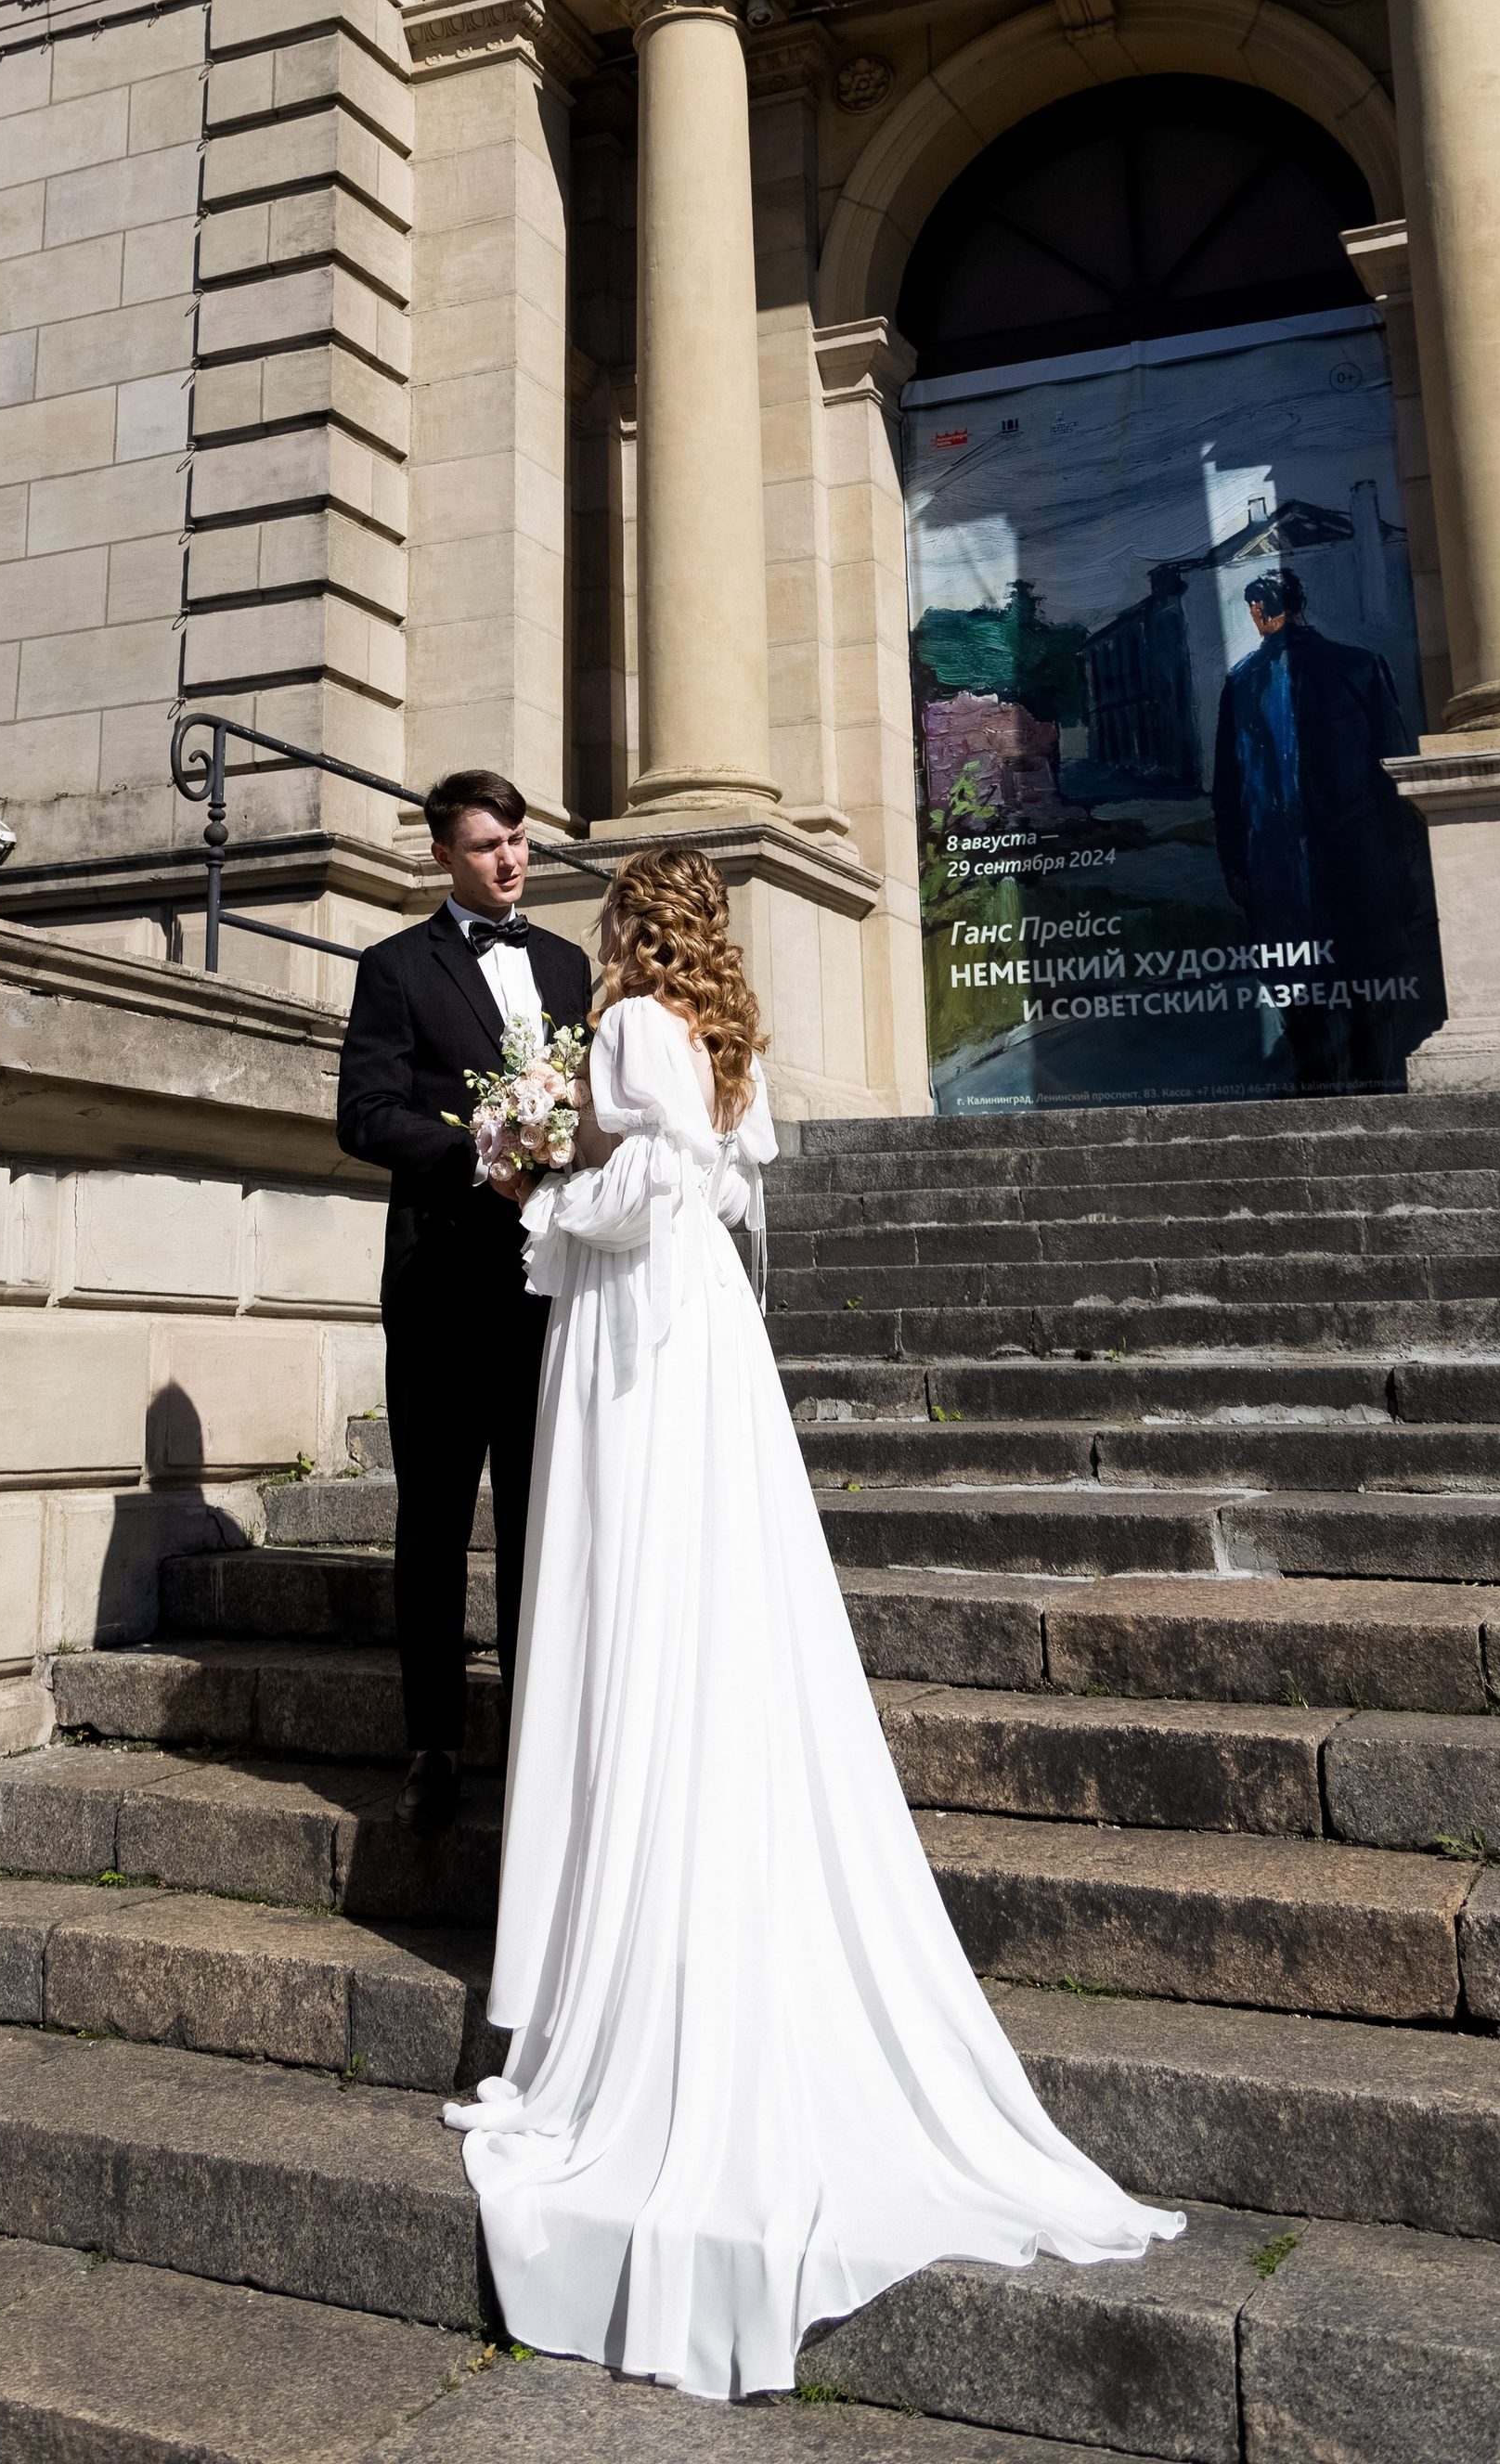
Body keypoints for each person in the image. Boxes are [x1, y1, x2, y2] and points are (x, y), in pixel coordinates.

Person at [448, 845, 1180, 2402]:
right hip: (702, 1325)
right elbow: (723, 1176)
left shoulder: (636, 1020)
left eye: (612, 909)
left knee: (631, 1585)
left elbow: (645, 1190)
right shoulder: (727, 1033)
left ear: (634, 922)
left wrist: (540, 1186)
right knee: (702, 1592)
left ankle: (624, 1985)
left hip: (639, 1325)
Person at [335, 768, 594, 1835]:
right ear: (443, 853)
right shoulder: (395, 967)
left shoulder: (572, 964)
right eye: (487, 844)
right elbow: (363, 1115)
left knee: (545, 1518)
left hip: (553, 1288)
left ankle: (539, 1728)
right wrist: (474, 1151)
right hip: (442, 1283)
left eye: (518, 839)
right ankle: (433, 1743)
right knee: (434, 1520)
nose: (511, 858)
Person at [1211, 566, 1434, 1084]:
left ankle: (1318, 1095)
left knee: (1301, 1002)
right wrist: (1404, 855)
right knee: (1370, 992)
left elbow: (1229, 790)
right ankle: (1373, 1088)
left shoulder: (1243, 682)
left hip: (1279, 866)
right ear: (1302, 605)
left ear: (1260, 614)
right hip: (1362, 856)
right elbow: (1394, 768)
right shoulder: (1361, 667)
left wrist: (1234, 864)